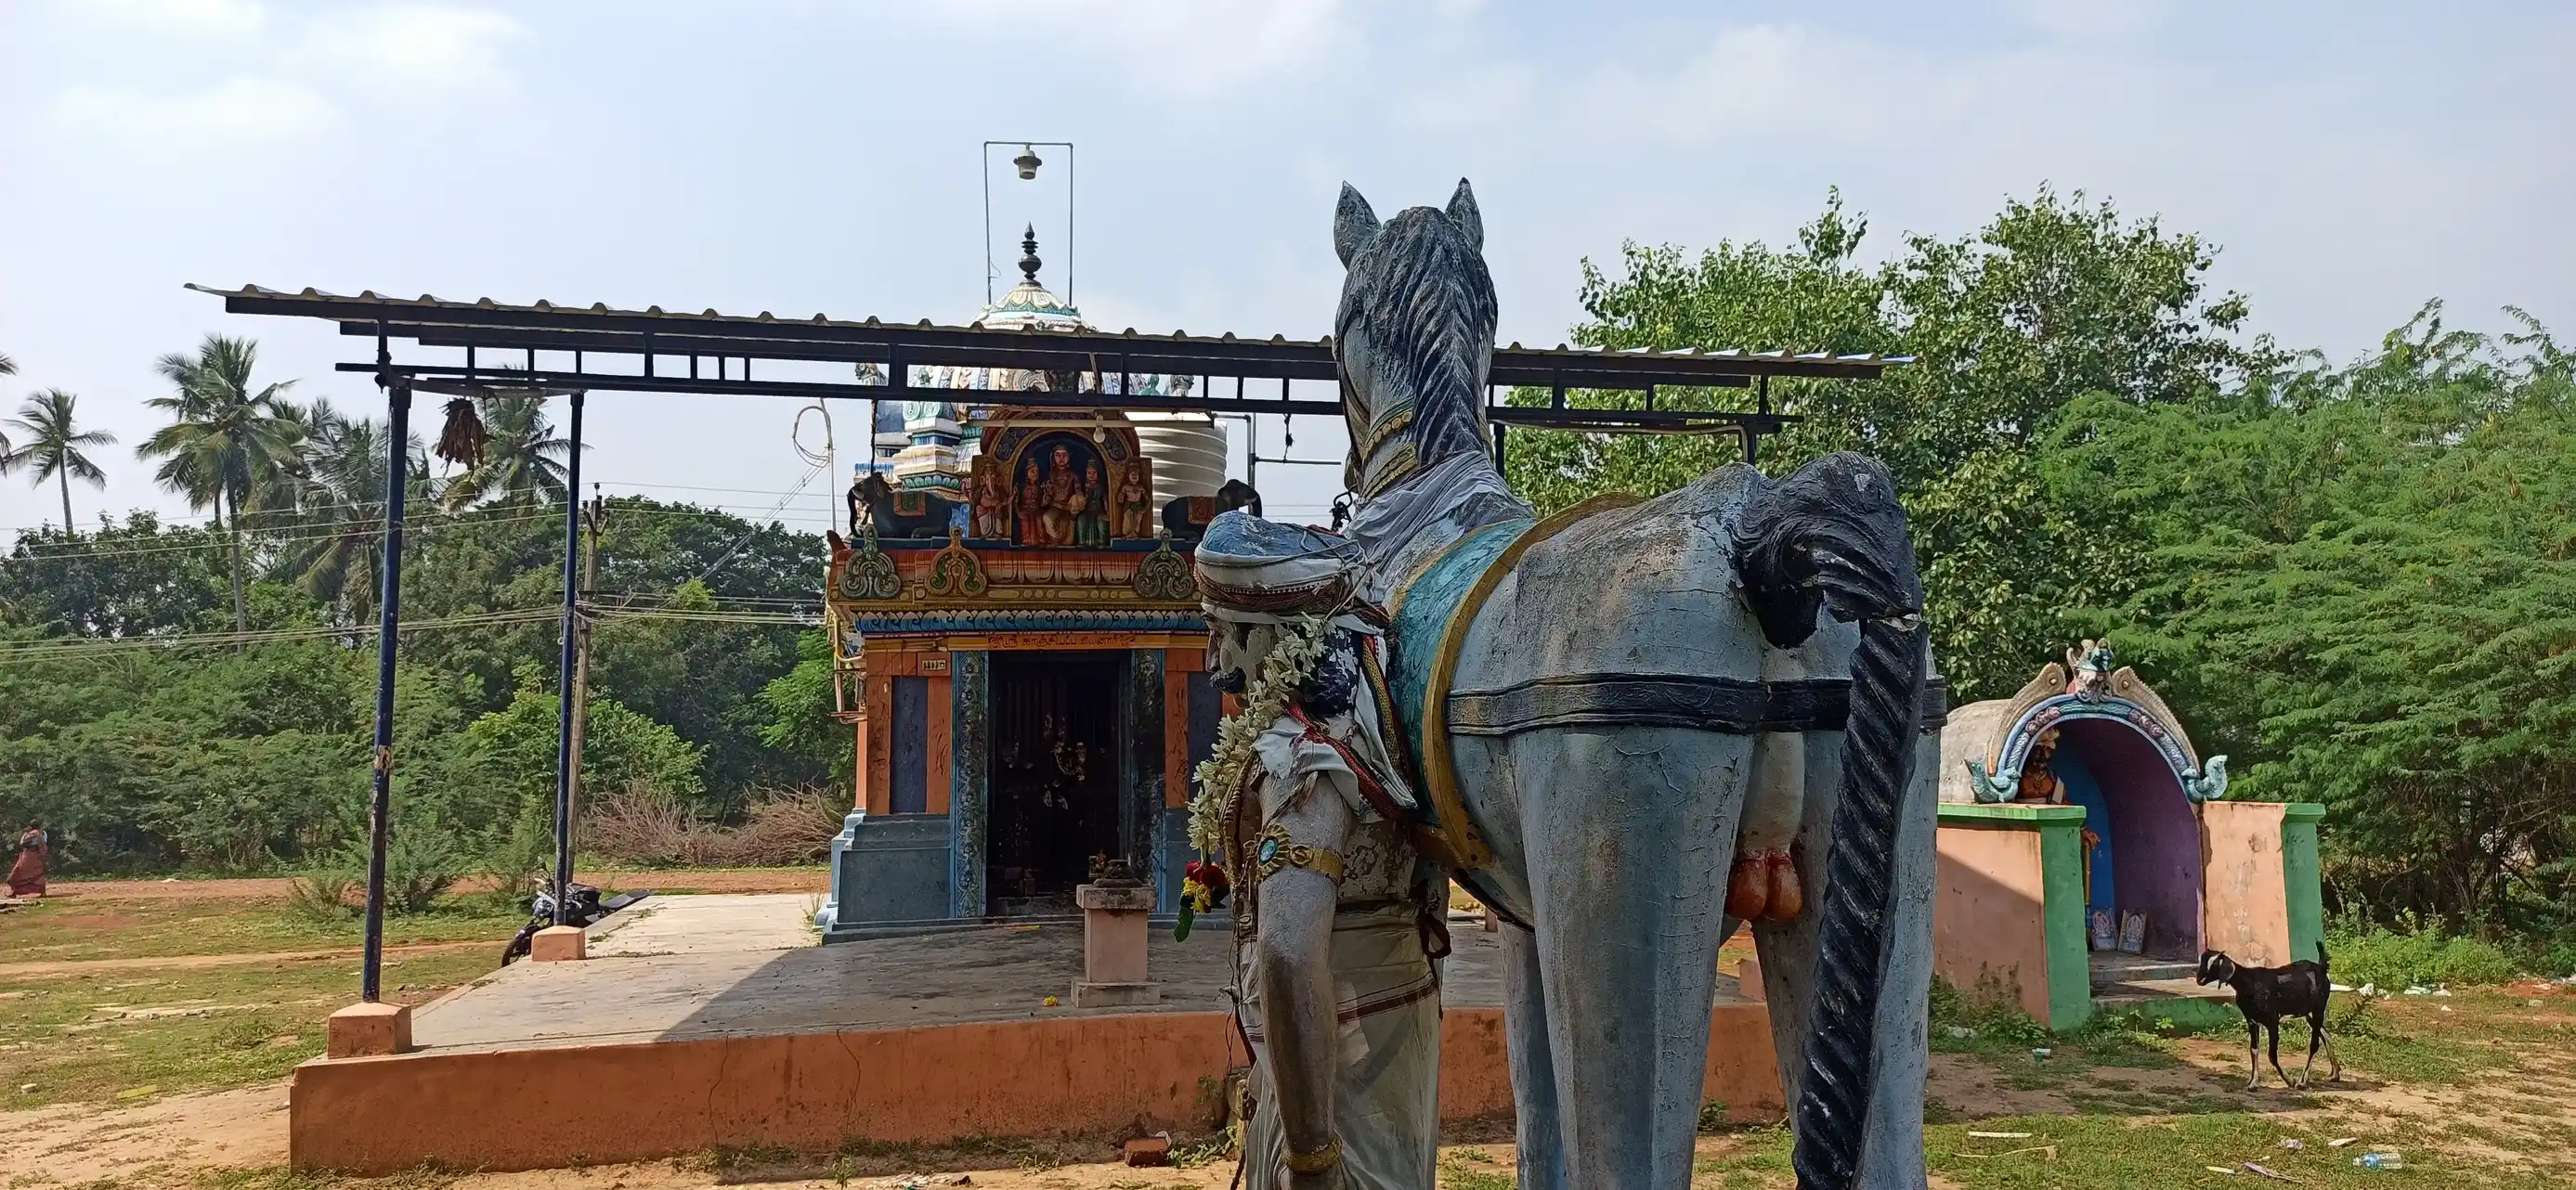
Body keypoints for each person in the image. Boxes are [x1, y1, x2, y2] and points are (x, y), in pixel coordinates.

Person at [1193, 511, 1442, 1189]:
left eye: (1222, 633)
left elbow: (1288, 950)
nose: (1214, 661)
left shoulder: (1306, 761)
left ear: (1272, 639)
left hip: (1345, 1072)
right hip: (1372, 1039)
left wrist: (1311, 1156)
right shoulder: (1365, 736)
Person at [9, 821, 46, 898]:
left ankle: (14, 892)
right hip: (37, 857)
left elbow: (22, 843)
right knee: (38, 875)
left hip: (28, 857)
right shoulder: (39, 834)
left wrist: (25, 833)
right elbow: (42, 846)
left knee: (18, 873)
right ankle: (43, 893)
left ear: (31, 826)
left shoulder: (31, 834)